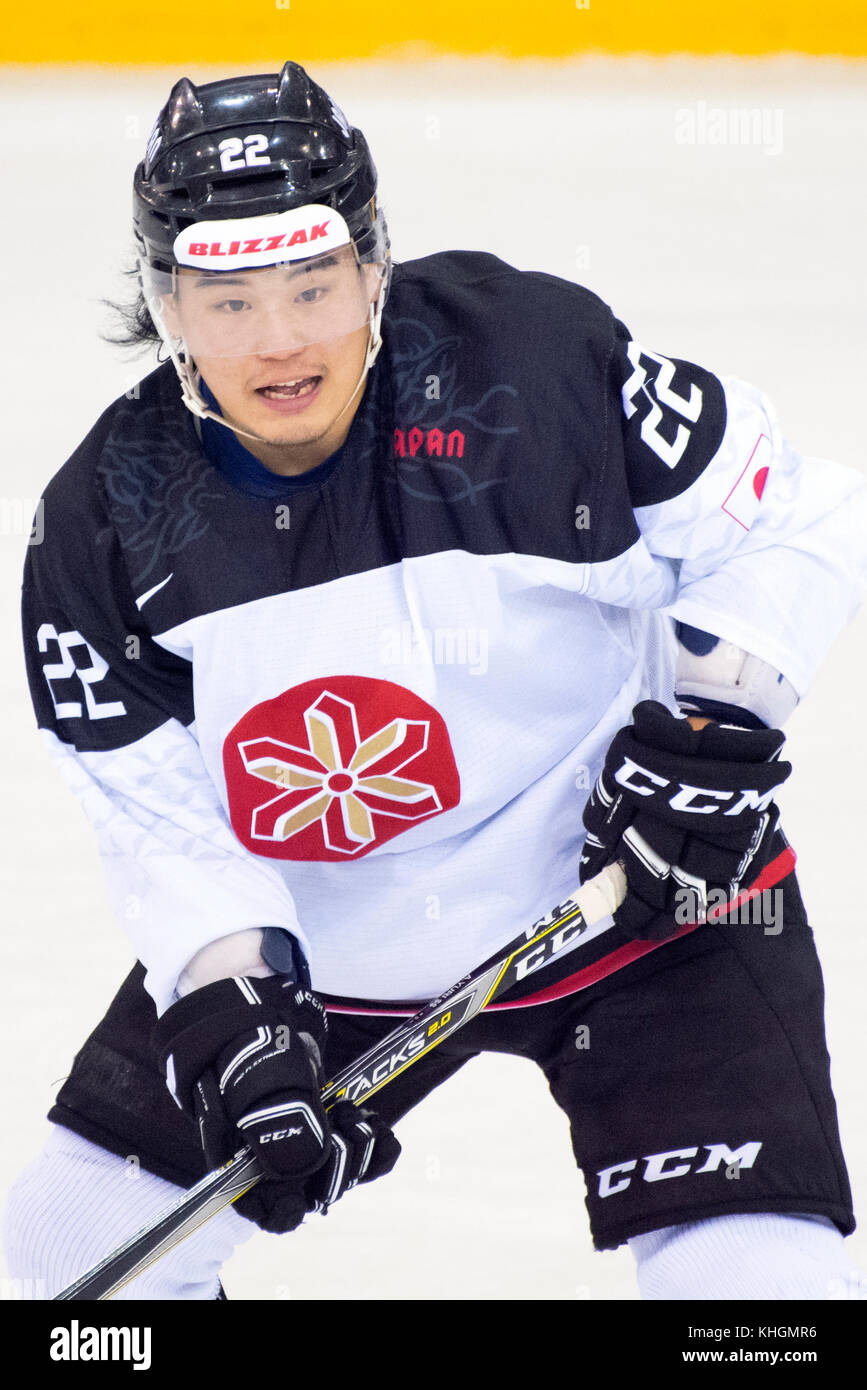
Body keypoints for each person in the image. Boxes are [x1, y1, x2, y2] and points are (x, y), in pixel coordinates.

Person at [4, 59, 866, 1301]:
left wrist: (711, 731)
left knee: (759, 1293)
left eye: (313, 284)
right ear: (167, 304)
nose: (284, 339)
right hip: (335, 938)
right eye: (230, 300)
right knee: (70, 1265)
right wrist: (239, 1015)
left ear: (372, 267)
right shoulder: (102, 527)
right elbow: (160, 821)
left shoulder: (534, 366)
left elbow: (796, 517)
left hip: (647, 898)